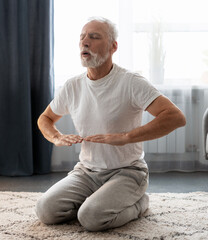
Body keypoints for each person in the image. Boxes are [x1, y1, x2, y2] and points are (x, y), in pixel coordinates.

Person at [35, 17, 186, 231]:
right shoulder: (72, 86)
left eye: (94, 37)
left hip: (128, 172)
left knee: (91, 218)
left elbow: (175, 116)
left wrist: (126, 137)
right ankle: (98, 200)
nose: (85, 42)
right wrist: (56, 137)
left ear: (113, 46)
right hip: (86, 172)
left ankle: (139, 203)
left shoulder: (131, 82)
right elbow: (45, 118)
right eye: (82, 37)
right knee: (45, 211)